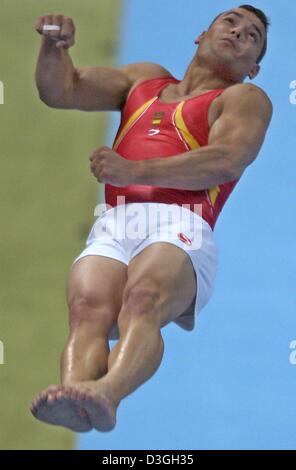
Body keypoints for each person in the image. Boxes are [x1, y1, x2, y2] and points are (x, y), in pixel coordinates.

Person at [30, 5, 273, 433]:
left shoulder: (243, 99)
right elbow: (63, 89)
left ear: (252, 68)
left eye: (252, 35)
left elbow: (228, 160)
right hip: (117, 221)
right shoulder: (143, 80)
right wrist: (54, 46)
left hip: (182, 220)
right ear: (201, 34)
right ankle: (74, 395)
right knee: (88, 309)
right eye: (230, 22)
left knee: (142, 301)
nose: (237, 32)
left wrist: (134, 172)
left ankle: (108, 393)